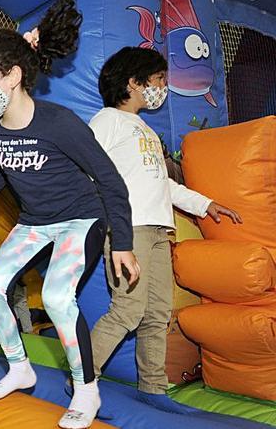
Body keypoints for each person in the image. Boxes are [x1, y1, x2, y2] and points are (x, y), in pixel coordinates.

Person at [0, 0, 138, 429]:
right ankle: (19, 368)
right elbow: (8, 165)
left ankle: (86, 390)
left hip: (82, 217)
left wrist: (123, 244)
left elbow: (110, 179)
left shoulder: (59, 122)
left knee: (59, 297)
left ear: (13, 76)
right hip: (35, 221)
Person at [87, 46, 242, 414]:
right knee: (127, 310)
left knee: (157, 313)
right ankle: (82, 379)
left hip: (158, 229)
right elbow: (89, 170)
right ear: (134, 82)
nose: (163, 87)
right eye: (158, 80)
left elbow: (162, 184)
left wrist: (205, 204)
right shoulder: (108, 120)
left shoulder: (145, 130)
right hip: (130, 229)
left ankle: (153, 387)